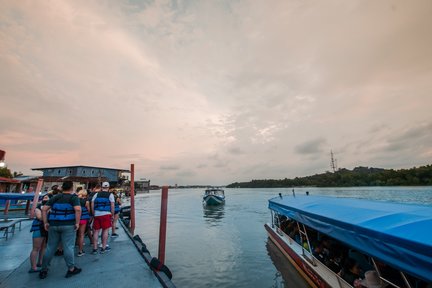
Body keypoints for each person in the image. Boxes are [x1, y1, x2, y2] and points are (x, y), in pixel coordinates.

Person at [39, 181, 82, 279]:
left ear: (62, 188)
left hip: (53, 224)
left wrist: (45, 222)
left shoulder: (55, 197)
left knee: (50, 247)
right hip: (68, 225)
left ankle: (44, 269)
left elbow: (44, 209)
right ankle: (71, 268)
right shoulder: (73, 198)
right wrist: (77, 223)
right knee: (68, 247)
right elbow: (78, 209)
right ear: (71, 188)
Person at [91, 182, 114, 254]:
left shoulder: (96, 194)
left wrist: (93, 213)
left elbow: (92, 203)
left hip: (97, 214)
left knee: (96, 231)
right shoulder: (110, 195)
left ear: (102, 187)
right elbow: (112, 206)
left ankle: (95, 248)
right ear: (108, 187)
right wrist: (112, 215)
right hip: (106, 214)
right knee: (105, 231)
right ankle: (103, 248)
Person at [28, 195, 49, 273]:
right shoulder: (38, 208)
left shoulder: (50, 207)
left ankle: (40, 262)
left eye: (47, 198)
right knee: (36, 248)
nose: (46, 199)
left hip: (46, 228)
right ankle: (33, 267)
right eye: (45, 197)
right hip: (39, 228)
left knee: (44, 247)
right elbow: (40, 217)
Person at [77, 189, 90, 256]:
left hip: (75, 218)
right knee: (81, 234)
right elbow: (88, 210)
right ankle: (80, 250)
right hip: (83, 218)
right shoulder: (86, 201)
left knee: (75, 234)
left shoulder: (75, 200)